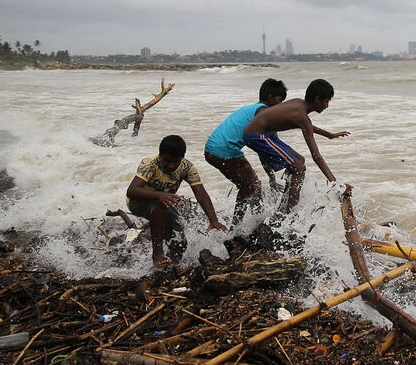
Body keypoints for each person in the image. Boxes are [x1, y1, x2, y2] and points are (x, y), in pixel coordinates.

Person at [242, 78, 350, 215]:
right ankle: (287, 214)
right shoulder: (301, 115)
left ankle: (283, 207)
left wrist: (329, 135)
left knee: (299, 160)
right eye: (326, 101)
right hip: (257, 136)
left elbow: (308, 126)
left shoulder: (299, 104)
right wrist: (336, 184)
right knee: (299, 168)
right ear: (317, 99)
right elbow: (316, 156)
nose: (327, 106)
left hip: (265, 134)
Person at [127, 134, 228, 267]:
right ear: (160, 155)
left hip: (165, 203)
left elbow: (201, 194)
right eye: (167, 161)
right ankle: (157, 254)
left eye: (176, 162)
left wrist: (213, 220)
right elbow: (132, 191)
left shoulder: (187, 167)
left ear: (182, 158)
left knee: (179, 240)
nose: (171, 165)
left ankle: (172, 266)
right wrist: (159, 195)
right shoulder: (150, 164)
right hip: (138, 202)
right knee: (160, 204)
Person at [204, 78, 287, 224]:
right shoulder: (262, 112)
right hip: (224, 150)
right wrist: (272, 179)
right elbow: (264, 151)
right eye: (279, 101)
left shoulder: (253, 109)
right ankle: (244, 225)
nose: (280, 106)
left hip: (214, 149)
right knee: (252, 186)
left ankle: (245, 223)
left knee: (249, 186)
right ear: (270, 98)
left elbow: (263, 149)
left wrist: (272, 178)